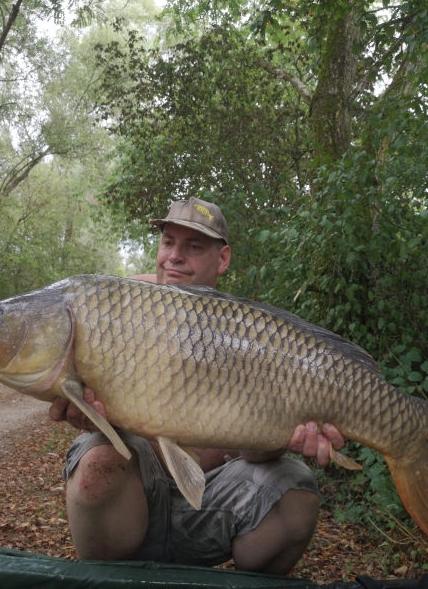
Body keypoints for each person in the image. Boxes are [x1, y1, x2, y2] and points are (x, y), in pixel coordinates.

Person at [50, 197, 345, 575]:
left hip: (211, 506)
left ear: (222, 259)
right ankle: (110, 579)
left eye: (193, 247)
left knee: (297, 490)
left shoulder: (251, 334)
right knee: (97, 463)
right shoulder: (114, 310)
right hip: (134, 502)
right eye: (168, 242)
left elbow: (255, 456)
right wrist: (90, 416)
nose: (174, 257)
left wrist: (289, 435)